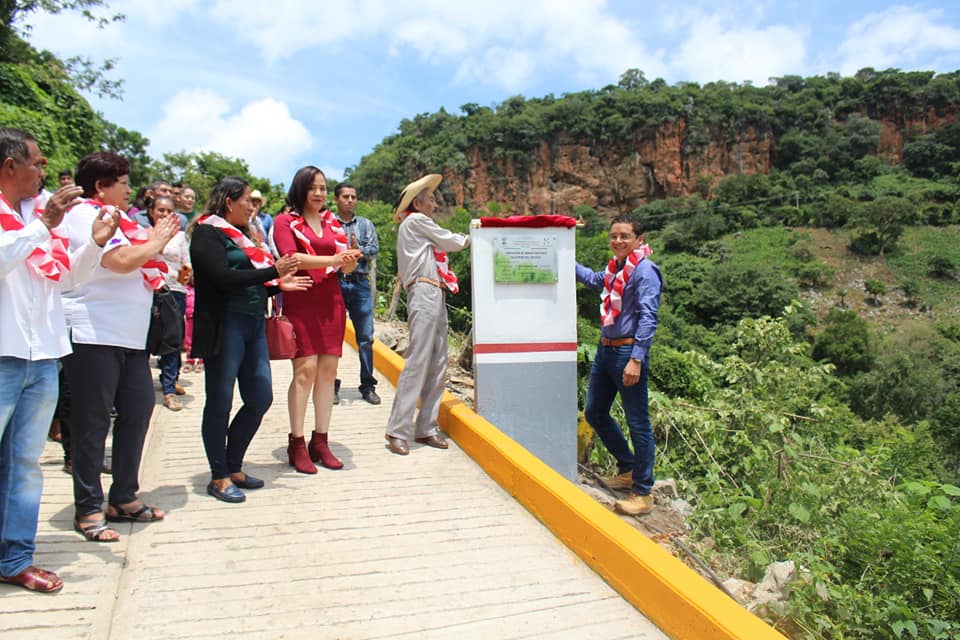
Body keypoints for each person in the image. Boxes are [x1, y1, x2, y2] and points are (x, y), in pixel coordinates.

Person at [0, 127, 119, 591]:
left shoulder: (35, 218)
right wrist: (42, 226)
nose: (43, 172)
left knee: (24, 465)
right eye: (37, 162)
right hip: (4, 354)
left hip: (44, 354)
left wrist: (94, 243)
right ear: (10, 166)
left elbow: (66, 281)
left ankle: (15, 559)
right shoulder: (32, 222)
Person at [59, 151, 179, 542]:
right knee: (93, 423)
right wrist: (157, 241)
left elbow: (140, 256)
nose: (131, 191)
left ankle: (123, 496)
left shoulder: (124, 221)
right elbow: (121, 261)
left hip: (130, 336)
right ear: (101, 187)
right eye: (124, 184)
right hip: (95, 332)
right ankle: (89, 507)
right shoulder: (83, 216)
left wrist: (154, 242)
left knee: (139, 409)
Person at [189, 176, 309, 502]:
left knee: (260, 397)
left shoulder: (244, 235)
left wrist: (274, 285)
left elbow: (251, 277)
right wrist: (274, 272)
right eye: (246, 201)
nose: (252, 208)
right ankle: (218, 476)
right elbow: (223, 277)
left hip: (254, 323)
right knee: (220, 401)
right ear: (228, 201)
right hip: (225, 324)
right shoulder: (205, 233)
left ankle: (233, 464)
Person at [273, 167, 361, 474]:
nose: (320, 193)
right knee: (305, 370)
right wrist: (335, 259)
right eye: (313, 188)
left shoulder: (332, 222)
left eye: (323, 188)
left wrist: (348, 261)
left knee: (328, 370)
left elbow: (344, 268)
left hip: (331, 300)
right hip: (301, 297)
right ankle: (296, 442)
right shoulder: (285, 221)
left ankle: (320, 441)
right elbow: (292, 259)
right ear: (300, 189)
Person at [576, 215, 663, 516]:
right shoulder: (616, 269)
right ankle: (628, 467)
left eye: (625, 236)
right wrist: (561, 257)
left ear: (639, 239)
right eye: (614, 236)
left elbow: (649, 317)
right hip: (605, 350)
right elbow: (592, 279)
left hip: (628, 353)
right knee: (595, 412)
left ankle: (643, 491)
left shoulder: (644, 271)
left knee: (638, 421)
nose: (618, 241)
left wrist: (637, 359)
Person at [384, 174, 469, 456]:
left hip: (434, 292)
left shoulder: (417, 224)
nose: (434, 202)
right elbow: (451, 242)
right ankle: (398, 429)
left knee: (439, 361)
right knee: (419, 360)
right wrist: (475, 235)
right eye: (430, 198)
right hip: (424, 290)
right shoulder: (417, 221)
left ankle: (426, 427)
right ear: (417, 204)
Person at [332, 182, 381, 405]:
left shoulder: (365, 224)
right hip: (334, 283)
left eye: (353, 196)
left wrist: (354, 252)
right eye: (345, 196)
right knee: (332, 337)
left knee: (365, 337)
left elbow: (373, 250)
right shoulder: (329, 224)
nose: (350, 200)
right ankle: (330, 383)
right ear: (336, 199)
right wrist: (349, 254)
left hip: (360, 284)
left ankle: (368, 385)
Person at [146, 195, 190, 411]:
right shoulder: (143, 232)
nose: (163, 214)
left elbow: (186, 264)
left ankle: (169, 388)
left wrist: (185, 277)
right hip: (148, 289)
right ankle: (142, 388)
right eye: (160, 210)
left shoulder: (181, 236)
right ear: (152, 212)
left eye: (168, 211)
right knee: (144, 340)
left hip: (174, 290)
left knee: (172, 340)